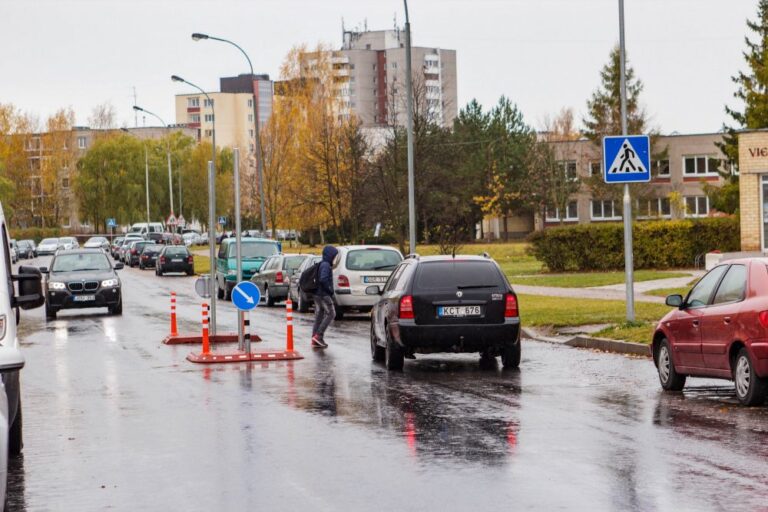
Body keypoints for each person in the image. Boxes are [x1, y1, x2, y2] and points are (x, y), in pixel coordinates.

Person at [312, 245, 338, 348]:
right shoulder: (326, 265)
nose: (335, 258)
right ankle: (319, 336)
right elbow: (323, 279)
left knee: (319, 315)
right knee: (331, 314)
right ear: (330, 255)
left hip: (317, 294)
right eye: (334, 255)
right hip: (324, 294)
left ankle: (314, 337)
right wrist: (330, 290)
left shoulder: (322, 264)